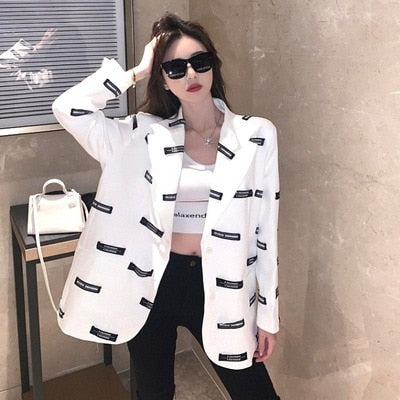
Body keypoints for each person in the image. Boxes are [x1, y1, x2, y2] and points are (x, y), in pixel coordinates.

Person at [52, 12, 280, 400]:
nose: (190, 74)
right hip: (154, 279)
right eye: (175, 67)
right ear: (163, 79)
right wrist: (138, 70)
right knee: (153, 392)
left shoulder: (256, 135)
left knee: (255, 393)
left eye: (200, 62)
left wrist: (267, 315)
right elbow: (68, 108)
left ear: (213, 66)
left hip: (221, 281)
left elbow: (265, 232)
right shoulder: (141, 135)